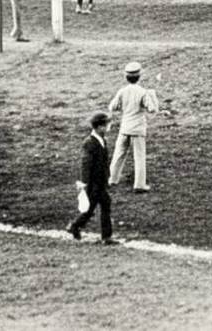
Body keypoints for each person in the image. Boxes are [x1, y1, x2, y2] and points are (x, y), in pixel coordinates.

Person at [108, 61, 160, 193]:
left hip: (125, 127)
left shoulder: (122, 91)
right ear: (139, 77)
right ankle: (139, 184)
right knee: (139, 156)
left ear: (126, 77)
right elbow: (152, 109)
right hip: (137, 128)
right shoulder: (143, 92)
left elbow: (112, 107)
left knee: (118, 154)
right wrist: (153, 95)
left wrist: (123, 107)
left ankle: (112, 179)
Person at [66, 111, 116, 244]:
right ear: (100, 127)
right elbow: (85, 164)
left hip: (99, 183)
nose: (109, 127)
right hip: (94, 184)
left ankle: (76, 226)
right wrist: (84, 182)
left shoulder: (101, 140)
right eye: (107, 124)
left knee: (97, 206)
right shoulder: (90, 143)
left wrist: (107, 178)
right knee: (95, 207)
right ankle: (105, 236)